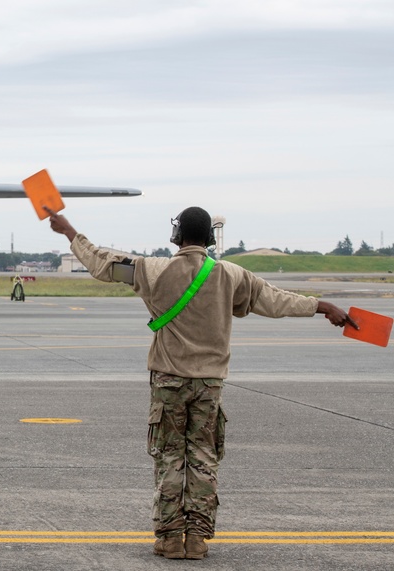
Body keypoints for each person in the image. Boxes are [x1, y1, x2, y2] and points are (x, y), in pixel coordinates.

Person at [45, 206, 356, 561]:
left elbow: (102, 262)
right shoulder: (232, 276)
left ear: (177, 236)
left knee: (169, 457)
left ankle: (169, 538)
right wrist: (322, 306)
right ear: (209, 239)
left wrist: (70, 231)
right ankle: (197, 539)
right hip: (209, 384)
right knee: (204, 458)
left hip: (169, 381)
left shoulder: (153, 270)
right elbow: (276, 300)